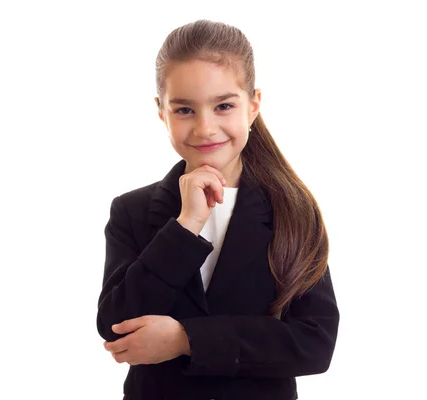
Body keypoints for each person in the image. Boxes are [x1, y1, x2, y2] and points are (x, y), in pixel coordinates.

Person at [97, 19, 339, 400]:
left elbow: (314, 342)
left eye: (224, 105)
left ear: (253, 105)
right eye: (184, 110)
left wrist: (186, 340)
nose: (206, 128)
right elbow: (115, 327)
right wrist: (185, 225)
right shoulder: (133, 210)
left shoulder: (292, 210)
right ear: (162, 112)